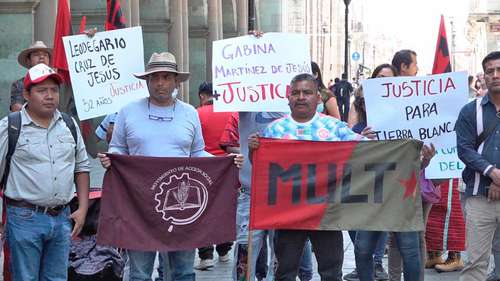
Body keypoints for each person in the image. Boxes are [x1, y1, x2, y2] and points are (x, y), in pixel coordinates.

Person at [249, 73, 375, 281]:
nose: (301, 97)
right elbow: (262, 170)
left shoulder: (335, 128)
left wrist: (374, 142)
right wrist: (253, 151)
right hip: (288, 214)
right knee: (285, 272)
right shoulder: (273, 130)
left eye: (307, 92)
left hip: (327, 213)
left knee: (331, 272)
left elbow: (366, 152)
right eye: (296, 93)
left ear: (318, 98)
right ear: (288, 98)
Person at [98, 52, 206, 281]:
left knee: (184, 272)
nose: (160, 83)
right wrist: (112, 158)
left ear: (176, 81)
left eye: (166, 77)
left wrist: (224, 163)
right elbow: (118, 147)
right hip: (139, 205)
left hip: (181, 207)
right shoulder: (128, 111)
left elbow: (197, 153)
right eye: (155, 77)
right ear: (147, 81)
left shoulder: (190, 113)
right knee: (139, 274)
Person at [0, 63, 90, 280]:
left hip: (62, 218)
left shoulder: (69, 124)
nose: (49, 96)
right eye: (42, 91)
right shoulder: (10, 126)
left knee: (57, 278)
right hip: (24, 218)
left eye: (54, 90)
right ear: (26, 94)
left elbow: (82, 167)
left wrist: (83, 208)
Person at [344, 64, 397, 281]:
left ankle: (374, 262)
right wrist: (359, 138)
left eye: (388, 78)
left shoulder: (400, 111)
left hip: (388, 178)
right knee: (353, 222)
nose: (383, 81)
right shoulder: (360, 105)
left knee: (380, 221)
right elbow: (348, 135)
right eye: (379, 77)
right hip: (360, 179)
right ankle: (363, 261)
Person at [457, 51, 500, 281]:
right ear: (483, 77)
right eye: (490, 71)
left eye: (499, 70)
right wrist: (492, 173)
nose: (495, 75)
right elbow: (464, 150)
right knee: (475, 264)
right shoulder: (469, 111)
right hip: (479, 198)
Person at [194, 81, 233, 270]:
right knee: (224, 211)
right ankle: (225, 251)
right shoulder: (231, 112)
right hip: (227, 169)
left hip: (203, 169)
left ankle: (206, 255)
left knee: (202, 212)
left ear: (202, 96)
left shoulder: (196, 113)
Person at [10, 41, 52, 112]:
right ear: (28, 61)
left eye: (45, 55)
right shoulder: (19, 84)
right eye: (36, 55)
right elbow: (17, 110)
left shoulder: (58, 82)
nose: (42, 57)